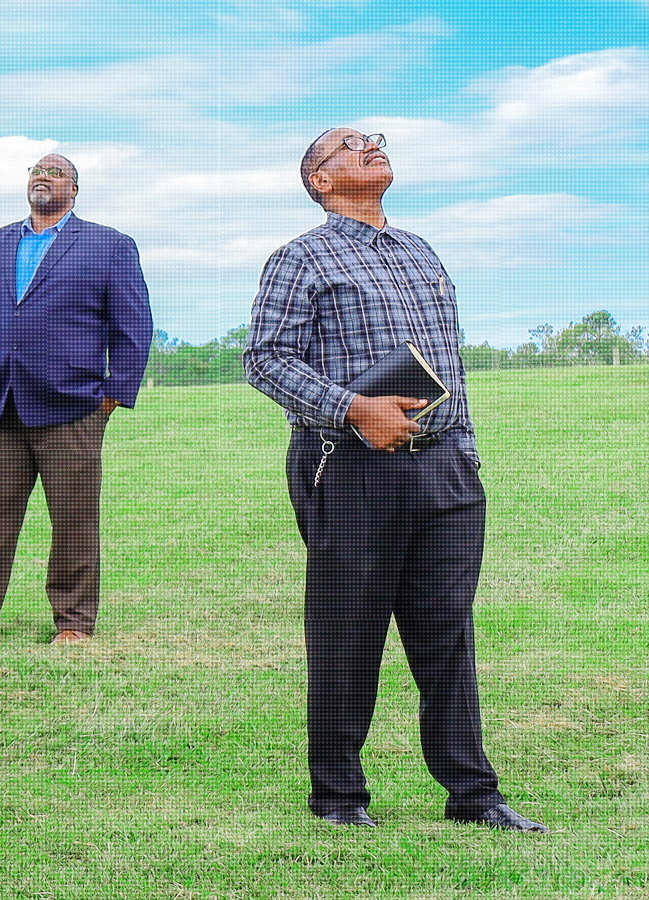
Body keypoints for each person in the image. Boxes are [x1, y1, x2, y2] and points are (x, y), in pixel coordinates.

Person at [243, 128, 547, 832]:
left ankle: (472, 795)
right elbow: (264, 360)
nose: (372, 148)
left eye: (376, 141)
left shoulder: (422, 251)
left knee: (448, 633)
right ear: (320, 180)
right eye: (351, 146)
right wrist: (354, 408)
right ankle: (340, 799)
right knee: (348, 635)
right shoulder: (299, 258)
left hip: (444, 469)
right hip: (348, 468)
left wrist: (464, 451)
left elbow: (451, 364)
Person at [0, 153, 151, 645]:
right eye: (36, 171)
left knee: (74, 520)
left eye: (56, 172)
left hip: (73, 409)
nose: (43, 177)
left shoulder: (109, 246)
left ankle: (74, 622)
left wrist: (112, 397)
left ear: (74, 189)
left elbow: (134, 327)